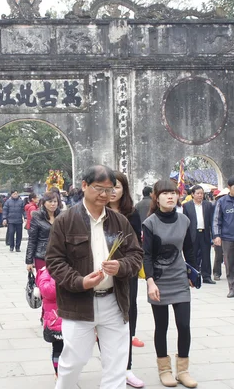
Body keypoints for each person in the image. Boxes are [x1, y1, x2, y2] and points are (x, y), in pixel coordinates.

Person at [46, 165, 143, 389]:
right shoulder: (66, 220)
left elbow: (136, 254)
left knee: (116, 363)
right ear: (84, 186)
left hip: (114, 301)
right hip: (78, 303)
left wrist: (120, 266)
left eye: (109, 190)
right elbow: (54, 261)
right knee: (74, 360)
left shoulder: (119, 221)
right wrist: (79, 281)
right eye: (99, 188)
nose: (104, 195)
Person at [143, 179, 198, 388]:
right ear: (156, 198)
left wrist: (193, 273)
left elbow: (190, 249)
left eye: (173, 193)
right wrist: (150, 282)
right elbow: (146, 256)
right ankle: (164, 370)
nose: (170, 196)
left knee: (184, 325)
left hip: (179, 279)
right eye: (165, 193)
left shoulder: (184, 220)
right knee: (162, 326)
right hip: (158, 281)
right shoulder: (150, 223)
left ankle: (183, 370)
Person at [108, 171, 144, 388]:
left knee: (127, 316)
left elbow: (135, 248)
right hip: (101, 273)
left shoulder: (132, 213)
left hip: (126, 273)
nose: (112, 191)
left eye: (117, 187)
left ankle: (127, 368)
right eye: (108, 187)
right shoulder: (96, 212)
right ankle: (111, 368)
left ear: (124, 189)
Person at [183, 185, 216, 284]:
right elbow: (185, 221)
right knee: (192, 256)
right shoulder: (187, 206)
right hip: (192, 234)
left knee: (206, 255)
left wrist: (214, 235)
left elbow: (212, 221)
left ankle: (207, 276)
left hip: (205, 233)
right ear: (192, 194)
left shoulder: (208, 205)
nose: (200, 195)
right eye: (197, 193)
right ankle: (193, 276)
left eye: (202, 193)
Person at [37, 266, 63, 378]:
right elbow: (50, 291)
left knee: (71, 347)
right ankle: (58, 372)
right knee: (58, 347)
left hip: (72, 316)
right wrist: (58, 274)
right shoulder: (45, 273)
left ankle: (69, 371)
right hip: (55, 319)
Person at [25, 192, 60, 274]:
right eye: (50, 201)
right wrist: (29, 261)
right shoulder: (37, 217)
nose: (53, 204)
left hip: (59, 256)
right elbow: (32, 240)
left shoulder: (62, 216)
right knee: (45, 283)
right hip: (42, 256)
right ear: (44, 203)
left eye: (55, 201)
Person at [212, 188, 229, 281]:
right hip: (219, 233)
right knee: (219, 254)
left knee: (231, 255)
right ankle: (216, 272)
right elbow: (214, 222)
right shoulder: (216, 206)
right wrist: (214, 236)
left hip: (230, 234)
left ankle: (232, 273)